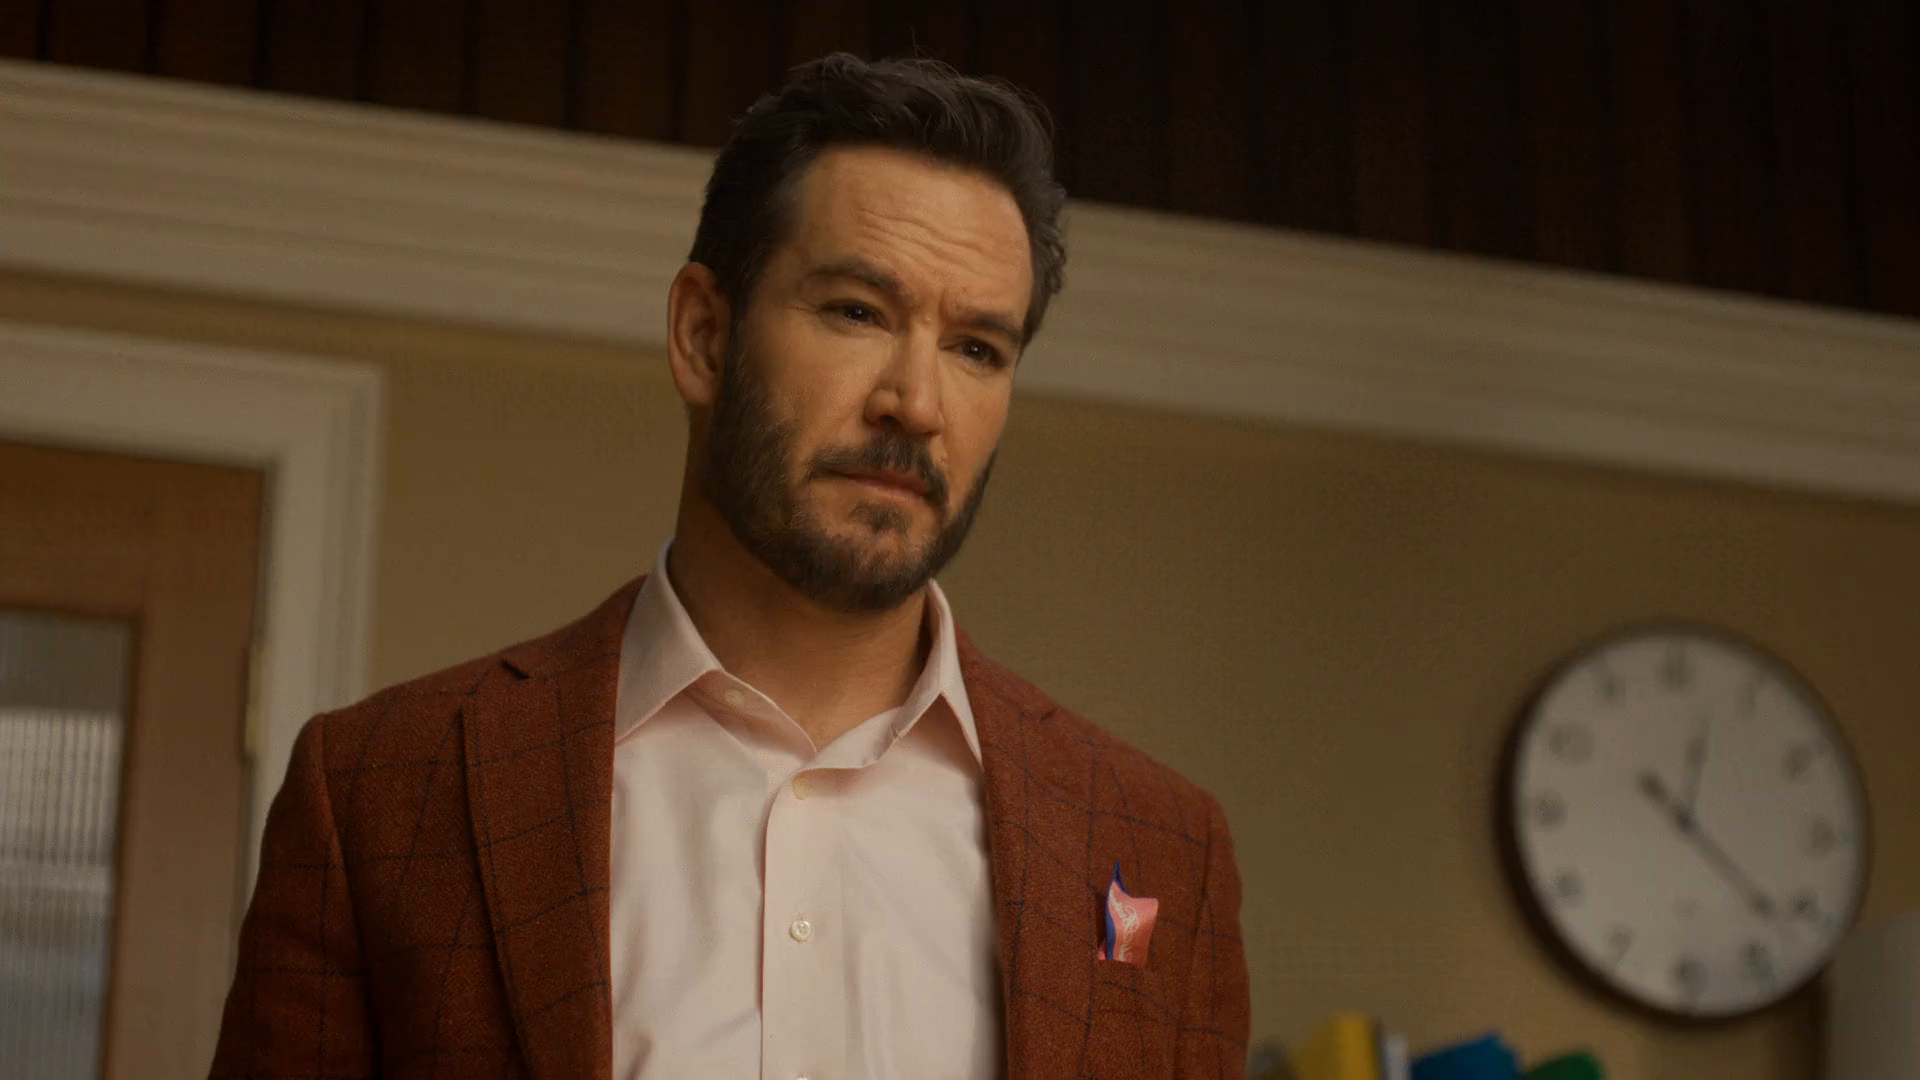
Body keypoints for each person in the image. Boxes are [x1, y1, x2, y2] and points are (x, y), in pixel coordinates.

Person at [209, 53, 1249, 1080]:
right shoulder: (380, 795)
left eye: (978, 348)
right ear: (703, 336)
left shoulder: (1162, 847)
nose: (918, 403)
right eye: (857, 311)